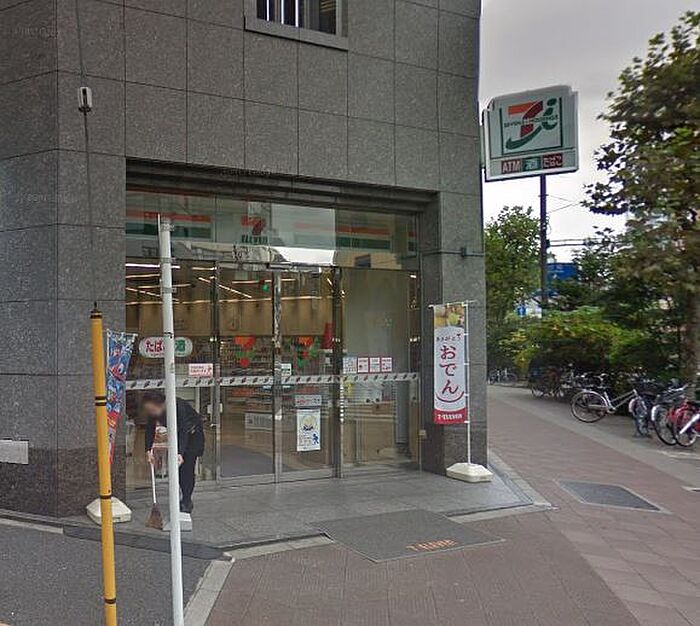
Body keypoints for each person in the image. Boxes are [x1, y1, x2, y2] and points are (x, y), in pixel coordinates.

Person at [142, 391, 205, 514]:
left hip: (193, 435)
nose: (151, 413)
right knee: (178, 470)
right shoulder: (154, 411)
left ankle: (187, 501)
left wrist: (179, 453)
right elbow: (150, 429)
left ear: (161, 404)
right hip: (178, 437)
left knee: (187, 469)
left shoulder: (177, 405)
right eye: (149, 410)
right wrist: (148, 450)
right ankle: (180, 497)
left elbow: (183, 430)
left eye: (153, 409)